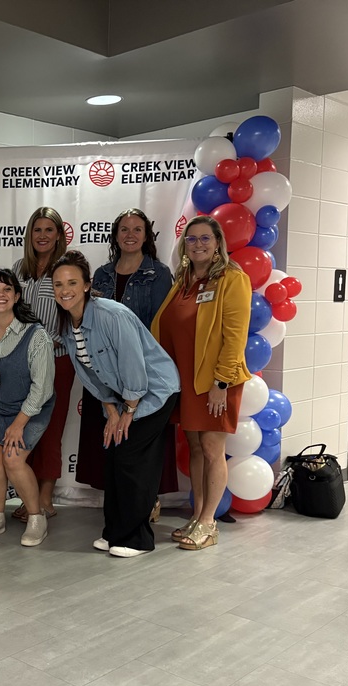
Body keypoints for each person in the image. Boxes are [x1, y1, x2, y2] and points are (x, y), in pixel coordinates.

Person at [52, 251, 180, 557]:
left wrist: (128, 412)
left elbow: (135, 368)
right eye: (58, 284)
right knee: (112, 457)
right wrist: (111, 410)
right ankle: (114, 533)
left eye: (72, 282)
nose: (64, 290)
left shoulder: (112, 315)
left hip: (154, 391)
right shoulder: (70, 324)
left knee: (132, 461)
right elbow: (91, 375)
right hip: (123, 396)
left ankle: (138, 539)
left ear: (87, 285)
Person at [152, 215, 252, 551]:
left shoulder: (231, 279)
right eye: (191, 239)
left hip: (214, 383)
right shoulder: (184, 279)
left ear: (218, 242)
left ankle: (209, 523)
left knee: (212, 449)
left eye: (205, 238)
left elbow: (235, 336)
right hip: (185, 381)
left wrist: (221, 383)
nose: (198, 245)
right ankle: (196, 515)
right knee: (195, 448)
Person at [82, 208, 176, 515]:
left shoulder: (159, 274)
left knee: (140, 441)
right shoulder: (102, 274)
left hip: (141, 371)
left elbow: (161, 325)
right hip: (106, 372)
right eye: (124, 229)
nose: (130, 234)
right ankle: (119, 499)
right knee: (113, 436)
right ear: (115, 235)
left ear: (147, 235)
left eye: (137, 229)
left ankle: (148, 499)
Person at [0, 271, 56, 547]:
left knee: (13, 458)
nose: (0, 294)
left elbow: (42, 389)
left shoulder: (36, 334)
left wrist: (19, 422)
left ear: (17, 296)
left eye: (7, 289)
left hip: (31, 407)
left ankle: (36, 517)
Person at [12, 207, 73, 522]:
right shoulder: (18, 270)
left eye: (50, 230)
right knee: (27, 429)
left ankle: (45, 498)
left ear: (59, 235)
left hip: (57, 361)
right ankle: (28, 496)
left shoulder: (66, 269)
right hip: (21, 365)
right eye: (38, 230)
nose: (43, 236)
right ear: (29, 234)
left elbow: (78, 312)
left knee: (50, 430)